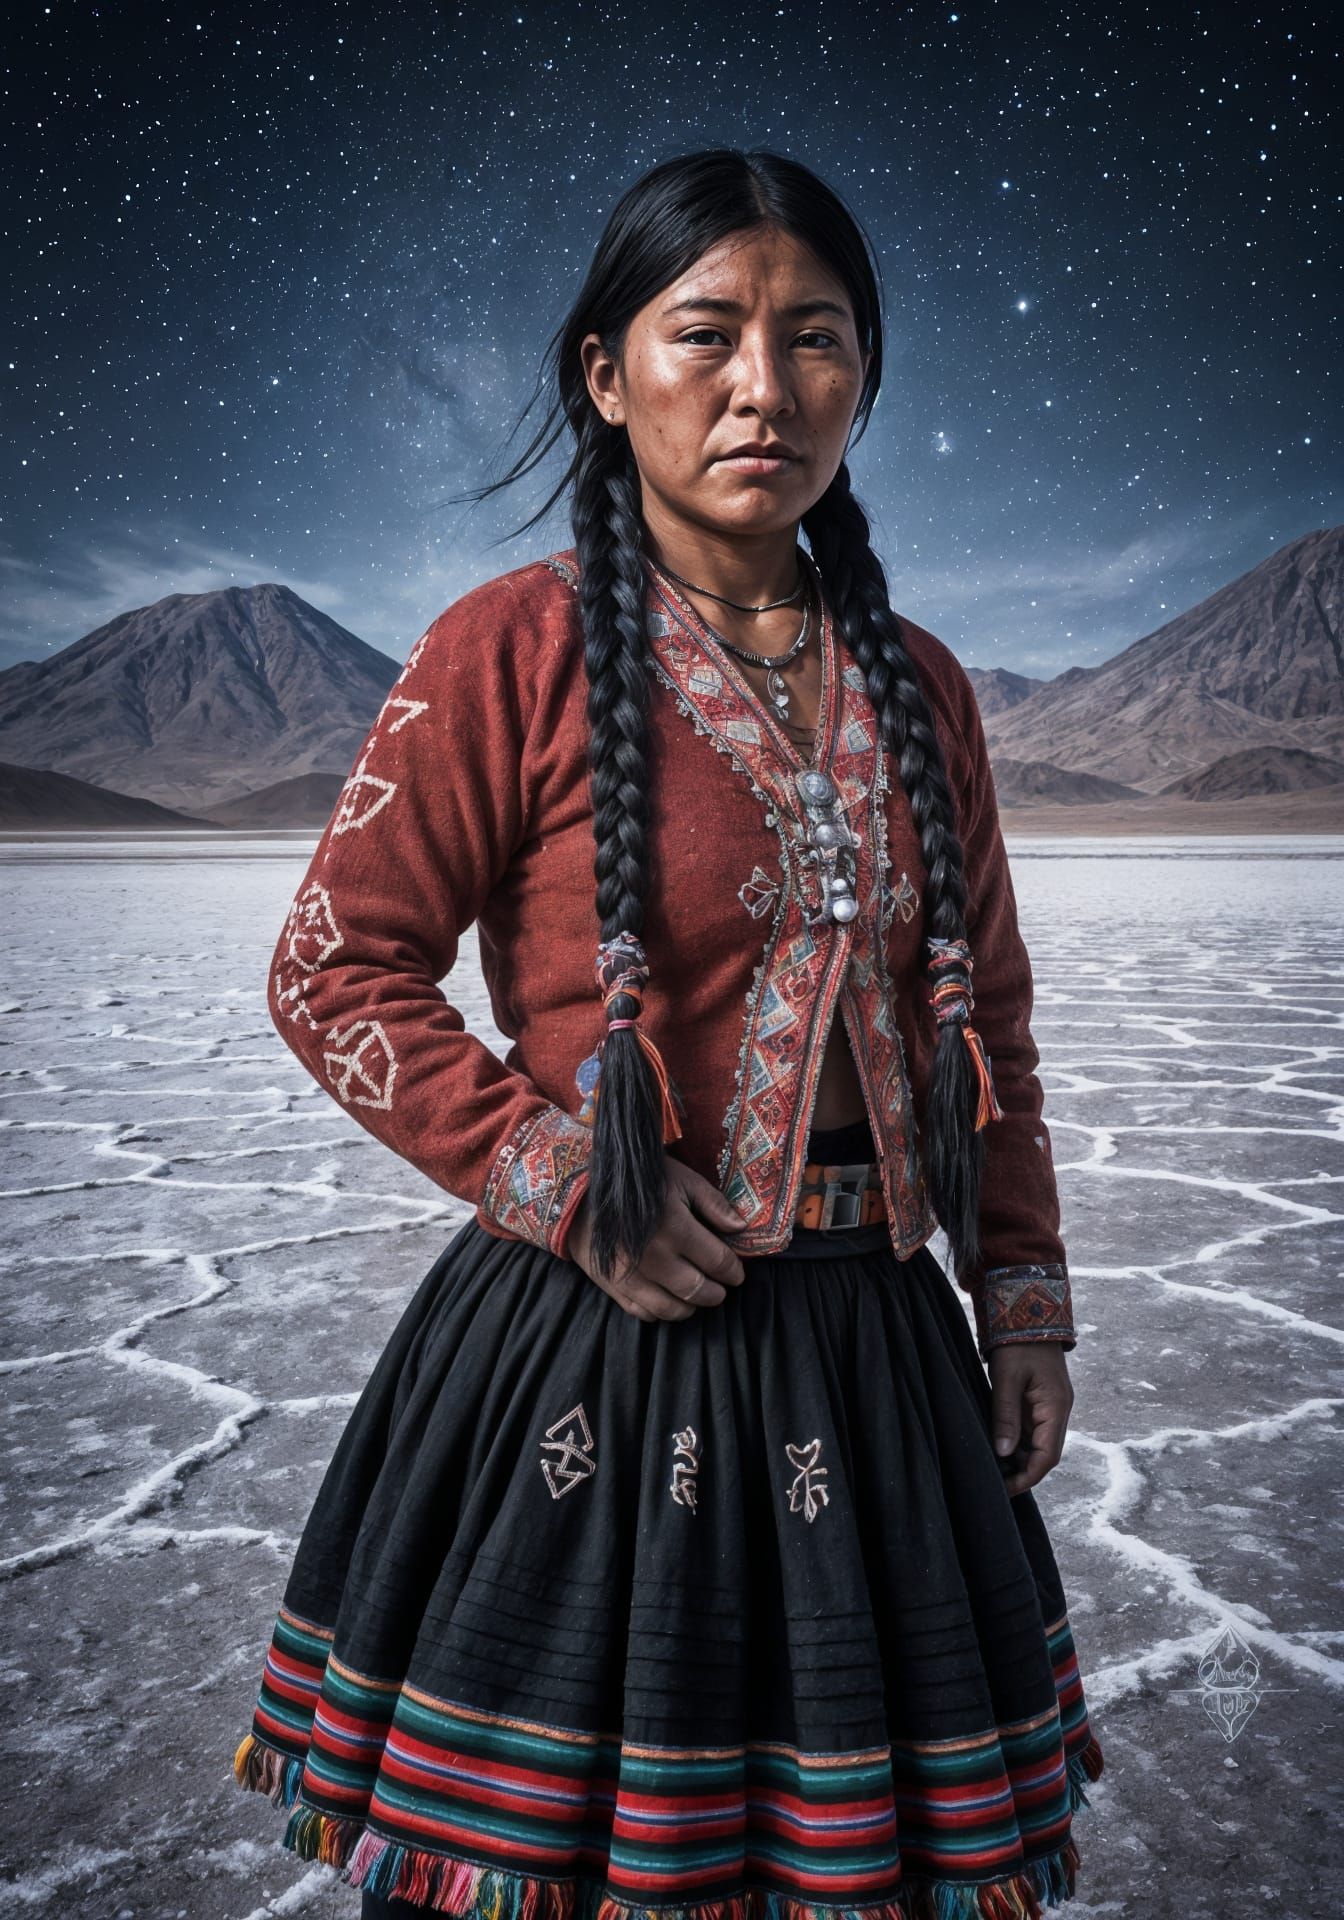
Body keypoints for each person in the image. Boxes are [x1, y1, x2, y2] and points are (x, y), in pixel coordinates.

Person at [233, 147, 1104, 1919]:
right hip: (599, 1340)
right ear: (602, 371)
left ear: (866, 376)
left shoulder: (922, 683)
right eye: (705, 334)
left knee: (864, 1867)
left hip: (877, 1351)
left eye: (819, 340)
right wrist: (570, 1183)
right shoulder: (510, 651)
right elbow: (332, 967)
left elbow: (989, 1014)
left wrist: (1020, 1294)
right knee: (583, 1870)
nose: (764, 390)